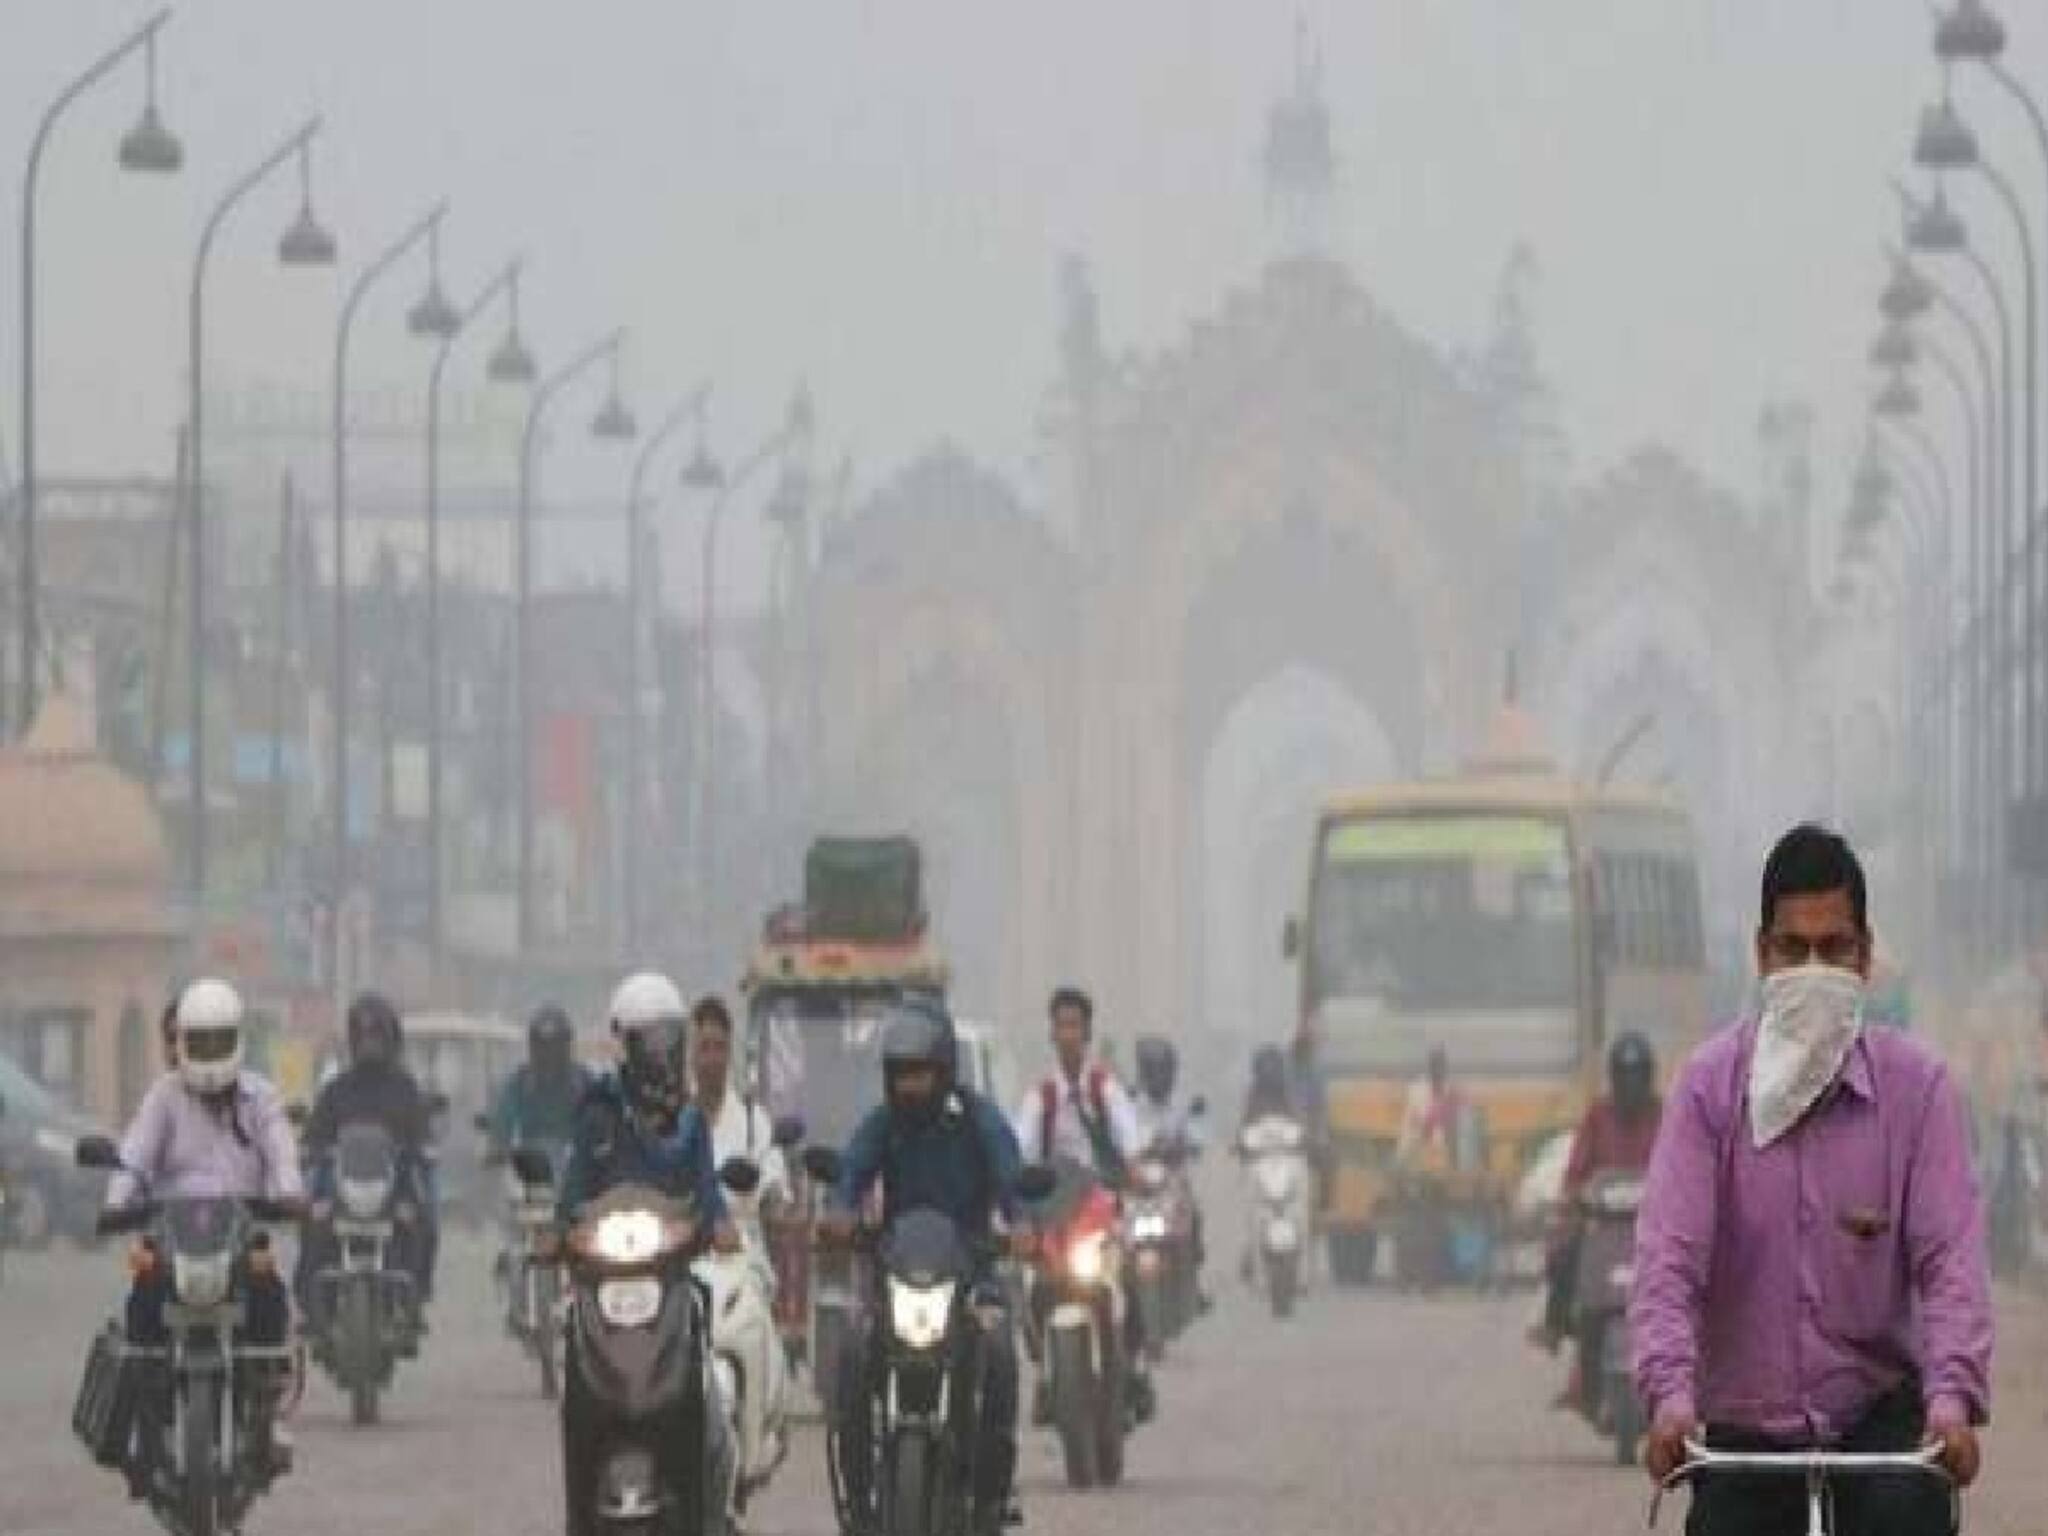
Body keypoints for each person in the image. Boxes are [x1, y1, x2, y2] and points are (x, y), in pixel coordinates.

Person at [1633, 825, 1989, 1535]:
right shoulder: (1708, 1091)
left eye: (1834, 949)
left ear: (1865, 957)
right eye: (1793, 950)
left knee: (1911, 1515)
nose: (1814, 969)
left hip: (1879, 1430)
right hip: (1745, 1438)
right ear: (1762, 955)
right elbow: (1669, 1260)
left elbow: (1950, 1262)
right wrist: (1669, 1399)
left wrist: (1952, 1401)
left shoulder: (1918, 1091)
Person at [826, 1000, 1028, 1536]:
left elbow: (1010, 1174)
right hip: (898, 1277)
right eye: (901, 1074)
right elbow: (851, 1171)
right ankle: (858, 1497)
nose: (910, 1086)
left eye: (920, 1073)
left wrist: (1021, 1221)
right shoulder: (884, 1124)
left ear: (945, 1071)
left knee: (1000, 1351)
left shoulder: (978, 1119)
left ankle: (992, 1496)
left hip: (971, 1276)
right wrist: (839, 1212)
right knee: (853, 1351)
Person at [557, 972, 738, 1536]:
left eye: (669, 1040)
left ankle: (710, 1510)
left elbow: (707, 1194)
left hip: (671, 1279)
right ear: (624, 1047)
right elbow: (572, 1197)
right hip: (602, 1283)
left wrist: (718, 1225)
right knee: (572, 1378)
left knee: (713, 1386)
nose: (662, 1055)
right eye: (650, 1042)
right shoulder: (597, 1116)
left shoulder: (690, 1123)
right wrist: (562, 1233)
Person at [105, 979, 303, 1495]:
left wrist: (289, 1194)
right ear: (180, 1042)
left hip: (241, 1232)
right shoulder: (163, 1098)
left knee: (270, 1300)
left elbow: (282, 1153)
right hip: (172, 1235)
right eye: (199, 1041)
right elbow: (135, 1155)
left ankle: (267, 1413)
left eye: (220, 1040)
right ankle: (147, 1427)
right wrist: (118, 1200)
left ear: (237, 1039)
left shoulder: (261, 1098)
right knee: (141, 1307)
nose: (209, 1052)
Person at [296, 992, 438, 1324]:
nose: (369, 1044)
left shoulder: (406, 1089)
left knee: (425, 1220)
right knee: (311, 1219)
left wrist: (423, 1149)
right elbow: (315, 1132)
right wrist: (309, 1149)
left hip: (395, 1187)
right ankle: (311, 1304)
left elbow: (423, 1134)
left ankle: (416, 1296)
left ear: (391, 1039)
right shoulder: (336, 1090)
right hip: (342, 1187)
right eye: (362, 1035)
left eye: (377, 1035)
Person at [1534, 1032, 1663, 1390]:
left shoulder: (1665, 1115)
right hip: (1602, 1224)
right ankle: (1556, 1322)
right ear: (1614, 1077)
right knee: (1563, 1250)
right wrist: (1574, 1195)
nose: (1631, 1084)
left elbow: (1684, 1163)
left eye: (1638, 1075)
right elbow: (1576, 1170)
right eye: (1625, 1075)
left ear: (1649, 1077)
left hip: (1654, 1226)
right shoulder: (1598, 1116)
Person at [1013, 986, 1143, 1182]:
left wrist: (1135, 1172)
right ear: (1052, 1035)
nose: (1068, 1036)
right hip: (1057, 1194)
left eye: (1074, 1026)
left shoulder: (1106, 1089)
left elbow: (1130, 1146)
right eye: (1061, 1026)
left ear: (1087, 1033)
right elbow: (1021, 1151)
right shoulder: (1039, 1097)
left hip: (1102, 1191)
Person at [485, 1002, 592, 1161]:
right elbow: (504, 1119)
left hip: (578, 1166)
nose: (549, 1053)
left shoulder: (585, 1082)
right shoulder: (519, 1083)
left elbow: (601, 1123)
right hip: (530, 1167)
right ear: (532, 1046)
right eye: (542, 1046)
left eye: (556, 1045)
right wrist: (497, 1146)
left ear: (567, 1045)